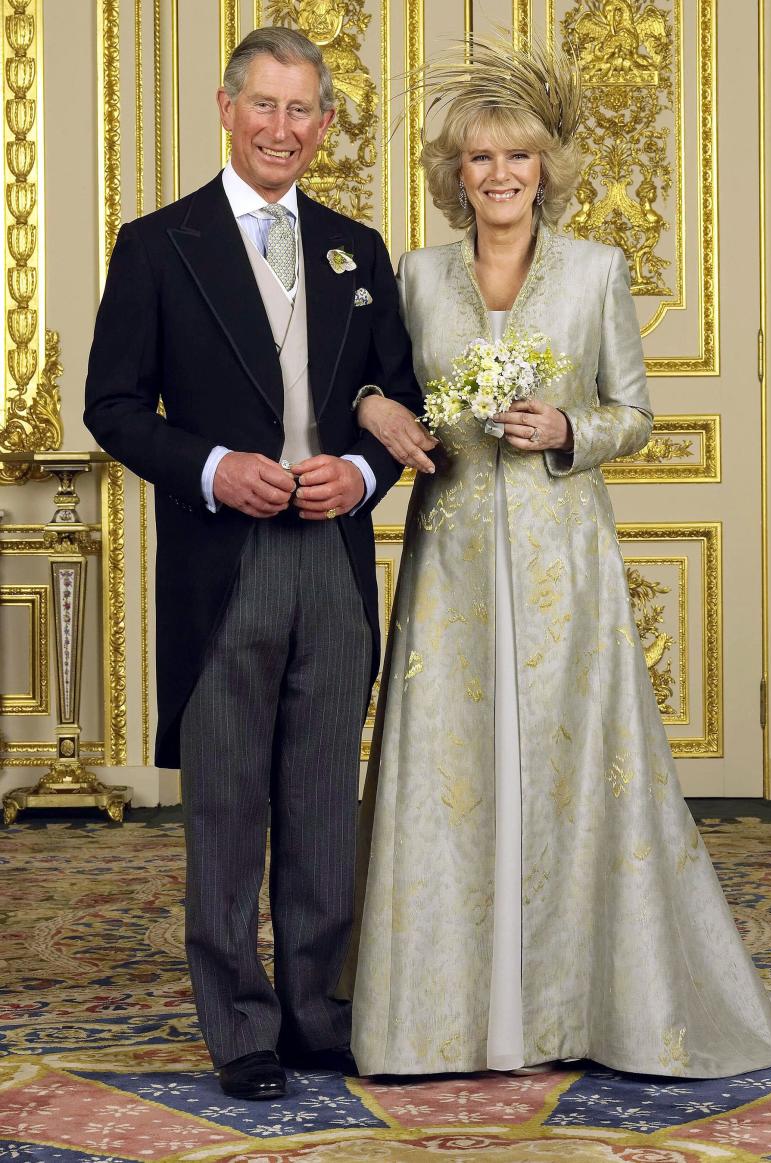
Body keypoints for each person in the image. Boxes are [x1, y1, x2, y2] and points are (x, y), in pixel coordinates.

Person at [346, 39, 771, 1077]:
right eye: (479, 160)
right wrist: (386, 410)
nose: (500, 176)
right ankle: (435, 1021)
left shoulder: (597, 271)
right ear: (452, 174)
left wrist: (568, 430)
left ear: (547, 168)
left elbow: (636, 415)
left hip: (566, 571)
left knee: (565, 769)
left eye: (517, 158)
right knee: (452, 771)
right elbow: (373, 389)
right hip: (453, 567)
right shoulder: (414, 279)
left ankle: (575, 1008)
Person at [84, 27, 428, 1100]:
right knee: (229, 803)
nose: (282, 129)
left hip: (329, 556)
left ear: (325, 127)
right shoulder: (156, 244)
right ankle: (239, 1024)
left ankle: (315, 1009)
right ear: (226, 109)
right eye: (264, 106)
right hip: (222, 558)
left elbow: (398, 400)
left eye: (302, 112)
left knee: (325, 797)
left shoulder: (355, 247)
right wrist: (216, 465)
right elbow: (113, 407)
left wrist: (364, 478)